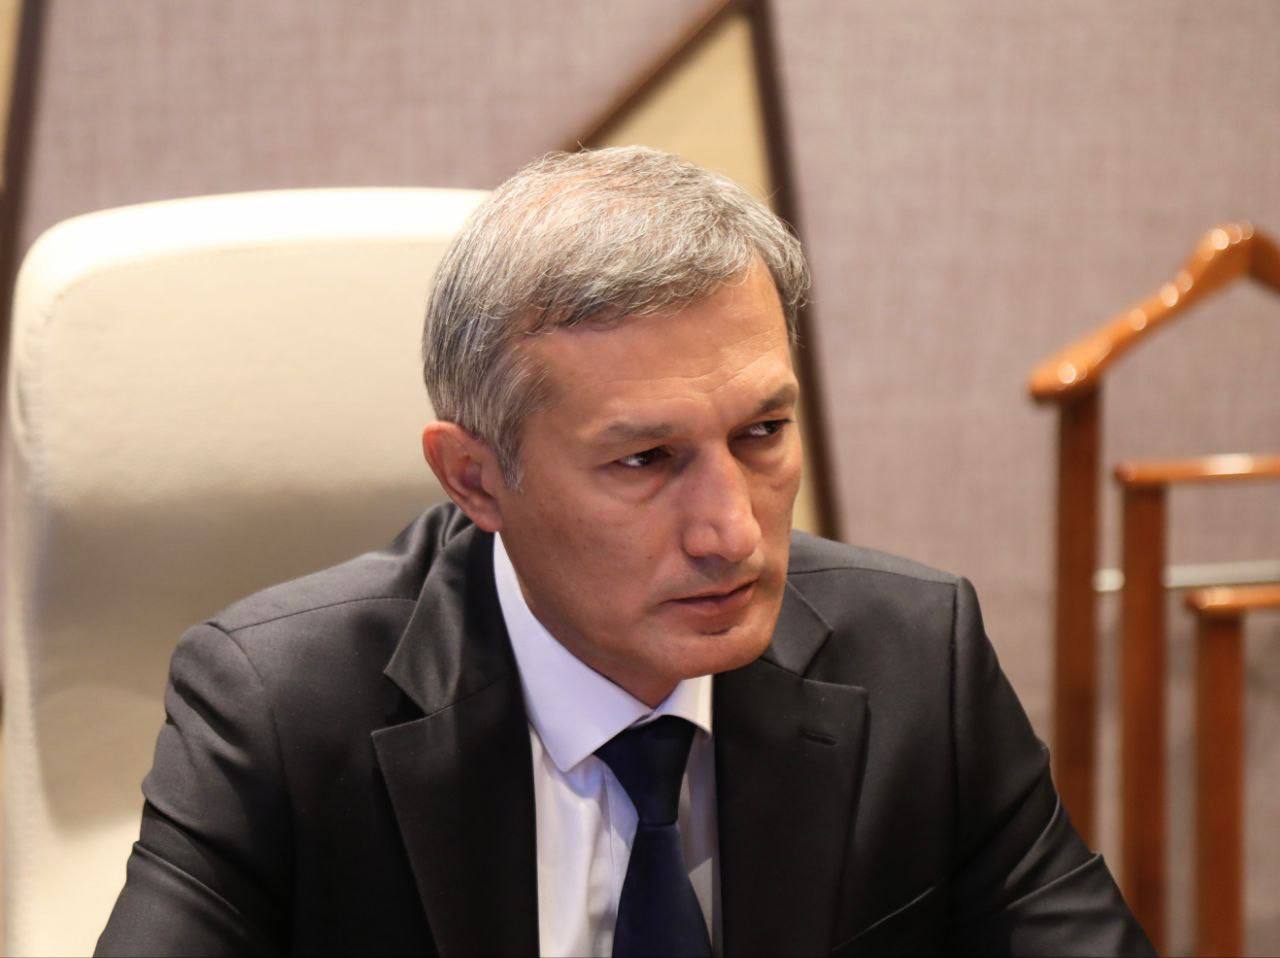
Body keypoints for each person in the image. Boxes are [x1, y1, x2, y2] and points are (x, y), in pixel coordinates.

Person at [97, 147, 1153, 957]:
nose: (731, 533)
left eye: (762, 434)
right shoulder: (279, 710)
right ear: (475, 479)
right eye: (645, 460)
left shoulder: (919, 660)